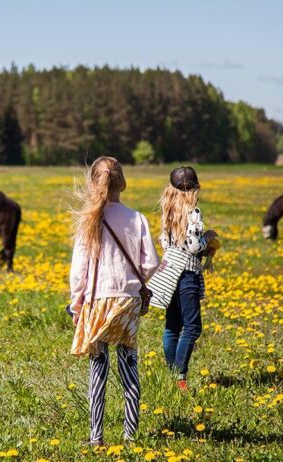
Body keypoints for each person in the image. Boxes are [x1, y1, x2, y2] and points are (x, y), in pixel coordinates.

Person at [69, 156, 159, 446]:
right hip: (128, 301)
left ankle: (96, 437)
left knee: (99, 368)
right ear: (123, 182)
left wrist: (76, 304)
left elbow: (78, 270)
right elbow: (151, 264)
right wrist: (134, 281)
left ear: (95, 183)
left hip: (97, 300)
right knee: (129, 365)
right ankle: (130, 436)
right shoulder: (138, 219)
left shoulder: (91, 219)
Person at [147, 166, 217, 390]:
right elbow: (195, 246)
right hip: (187, 275)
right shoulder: (193, 212)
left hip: (169, 273)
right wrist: (208, 239)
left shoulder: (168, 212)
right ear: (194, 189)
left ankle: (172, 375)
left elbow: (165, 244)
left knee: (172, 326)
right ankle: (180, 376)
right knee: (192, 327)